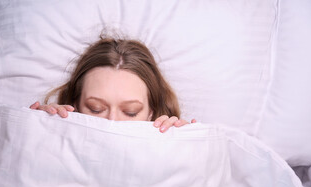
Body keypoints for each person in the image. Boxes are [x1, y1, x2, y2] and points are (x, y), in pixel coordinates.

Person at [30, 37, 196, 133]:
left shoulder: (174, 148)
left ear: (150, 114)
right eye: (95, 109)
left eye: (131, 112)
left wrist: (186, 150)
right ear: (76, 105)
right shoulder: (51, 134)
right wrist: (39, 130)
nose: (112, 122)